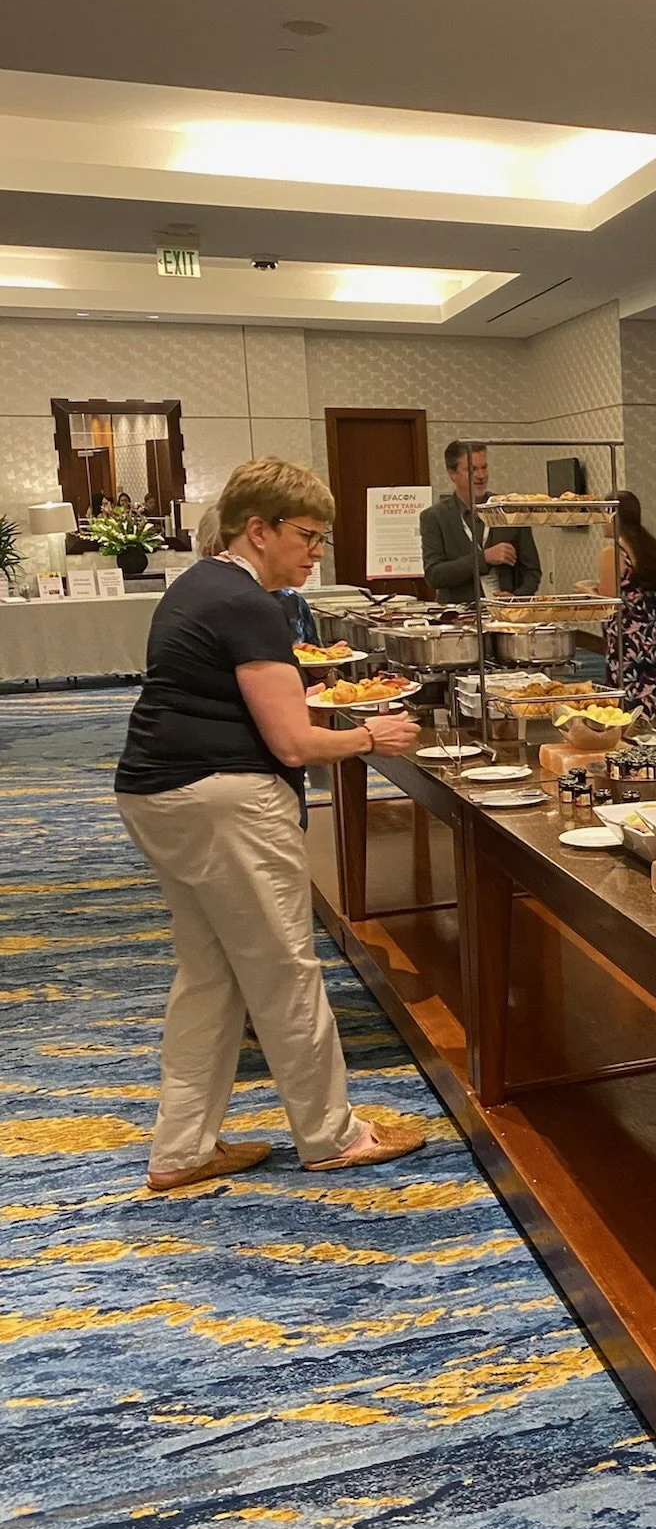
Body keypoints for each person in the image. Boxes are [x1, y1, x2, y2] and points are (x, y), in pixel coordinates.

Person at [115, 457, 429, 1191]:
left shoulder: (198, 584)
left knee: (212, 975)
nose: (315, 553)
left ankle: (182, 1147)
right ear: (256, 529)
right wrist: (367, 737)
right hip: (221, 801)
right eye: (306, 536)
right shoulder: (249, 605)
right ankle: (331, 1133)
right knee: (285, 970)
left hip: (157, 794)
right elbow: (292, 743)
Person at [597, 490, 656, 721]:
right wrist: (655, 599)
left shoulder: (613, 555)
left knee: (625, 710)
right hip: (655, 638)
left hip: (627, 642)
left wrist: (588, 592)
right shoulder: (654, 550)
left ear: (612, 516)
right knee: (654, 704)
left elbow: (607, 603)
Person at [419, 439, 540, 604]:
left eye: (484, 467)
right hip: (457, 619)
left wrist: (517, 598)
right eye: (472, 469)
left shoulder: (510, 510)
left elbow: (532, 571)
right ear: (452, 473)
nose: (481, 476)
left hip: (505, 617)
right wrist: (483, 558)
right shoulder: (435, 517)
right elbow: (434, 575)